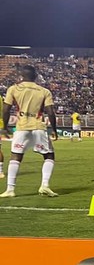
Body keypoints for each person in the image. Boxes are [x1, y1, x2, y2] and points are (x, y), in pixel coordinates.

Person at [1, 64, 59, 198]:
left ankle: (10, 189)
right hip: (38, 126)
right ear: (36, 77)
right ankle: (44, 185)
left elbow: (6, 109)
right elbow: (50, 112)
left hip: (22, 127)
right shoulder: (44, 91)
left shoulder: (14, 89)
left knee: (16, 156)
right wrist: (54, 130)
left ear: (22, 76)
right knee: (49, 156)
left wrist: (4, 127)